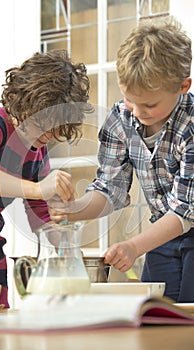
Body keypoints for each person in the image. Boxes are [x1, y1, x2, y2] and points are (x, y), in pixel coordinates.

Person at [49, 18, 194, 302]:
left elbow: (185, 211)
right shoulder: (121, 118)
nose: (138, 111)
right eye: (130, 99)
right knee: (153, 317)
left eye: (150, 104)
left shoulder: (190, 126)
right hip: (163, 237)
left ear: (183, 86)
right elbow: (109, 188)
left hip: (184, 225)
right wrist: (73, 209)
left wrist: (133, 246)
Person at [0, 49, 93, 307]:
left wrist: (63, 242)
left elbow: (40, 210)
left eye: (56, 127)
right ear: (21, 101)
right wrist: (37, 188)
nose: (49, 134)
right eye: (42, 123)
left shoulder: (37, 150)